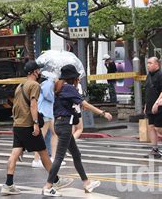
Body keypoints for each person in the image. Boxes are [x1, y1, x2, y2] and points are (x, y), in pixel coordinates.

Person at [0, 61, 73, 196]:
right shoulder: (34, 85)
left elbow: (15, 106)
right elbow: (34, 105)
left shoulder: (20, 86)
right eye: (38, 70)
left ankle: (8, 184)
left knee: (14, 154)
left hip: (18, 125)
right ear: (34, 72)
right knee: (43, 153)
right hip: (28, 125)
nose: (39, 73)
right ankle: (55, 180)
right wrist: (35, 123)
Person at [43, 64, 113, 197]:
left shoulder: (59, 87)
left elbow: (71, 104)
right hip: (64, 125)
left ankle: (87, 183)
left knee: (76, 155)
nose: (78, 80)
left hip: (60, 123)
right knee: (58, 157)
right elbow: (84, 104)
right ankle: (48, 186)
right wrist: (102, 112)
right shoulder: (68, 88)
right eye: (76, 77)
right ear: (72, 78)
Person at [143, 57, 162, 158]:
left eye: (150, 63)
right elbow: (148, 91)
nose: (148, 65)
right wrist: (146, 105)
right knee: (151, 128)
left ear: (157, 64)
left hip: (160, 106)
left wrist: (156, 103)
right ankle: (155, 149)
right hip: (150, 106)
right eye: (147, 63)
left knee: (158, 128)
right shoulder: (148, 76)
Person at [32, 75, 59, 168]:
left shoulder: (48, 82)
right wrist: (54, 96)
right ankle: (36, 159)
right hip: (45, 112)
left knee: (54, 133)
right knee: (41, 136)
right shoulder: (48, 82)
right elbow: (48, 95)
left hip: (48, 112)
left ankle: (53, 157)